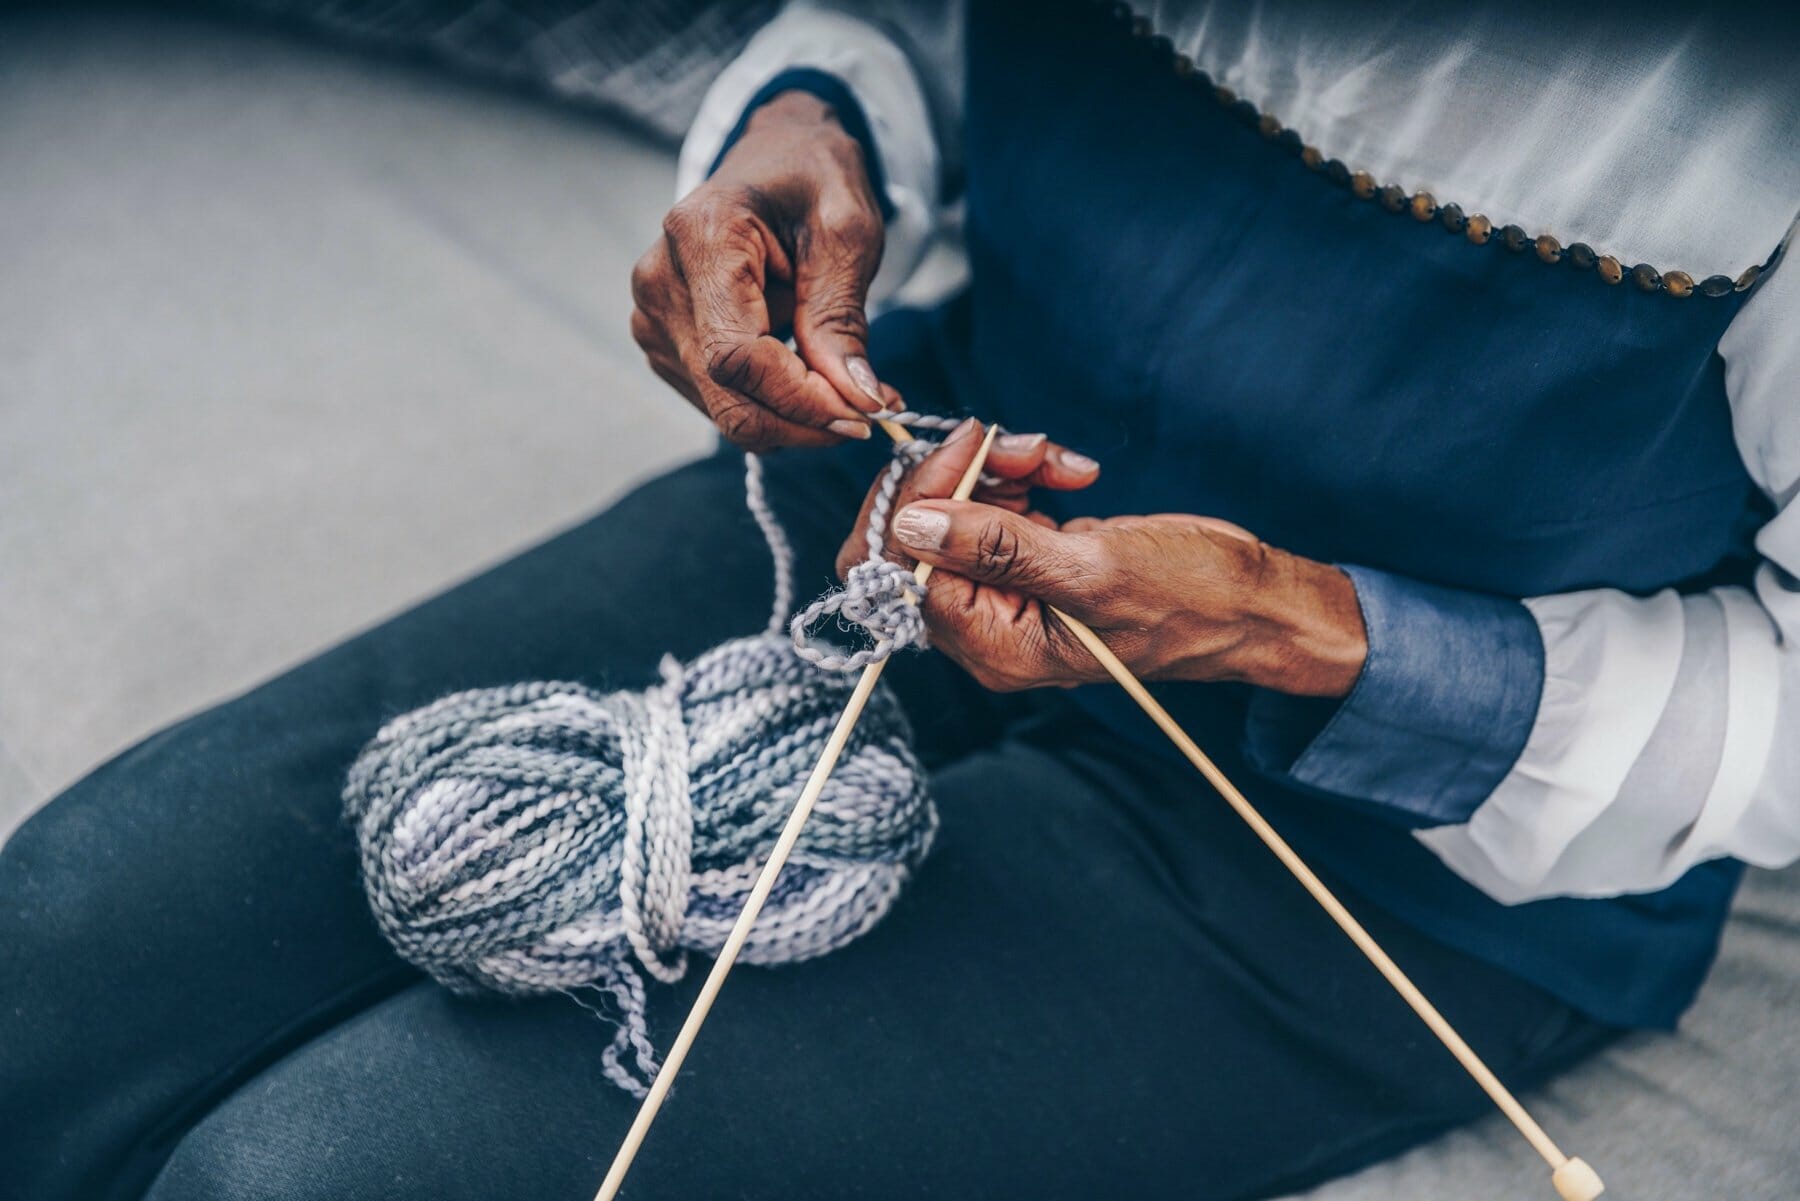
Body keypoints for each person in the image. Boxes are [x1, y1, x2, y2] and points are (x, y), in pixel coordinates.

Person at [4, 2, 1798, 1198]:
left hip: (1401, 836)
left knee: (328, 1172)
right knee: (59, 948)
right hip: (912, 491)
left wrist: (1281, 618)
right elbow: (919, 28)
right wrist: (811, 125)